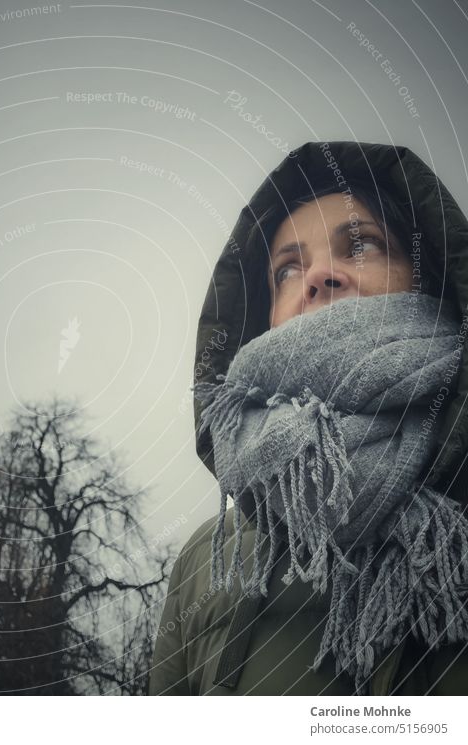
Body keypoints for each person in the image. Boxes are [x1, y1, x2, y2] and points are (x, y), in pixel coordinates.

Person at [148, 141, 468, 695]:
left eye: (362, 244)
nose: (319, 275)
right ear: (264, 318)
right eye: (286, 269)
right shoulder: (208, 560)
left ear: (430, 278)